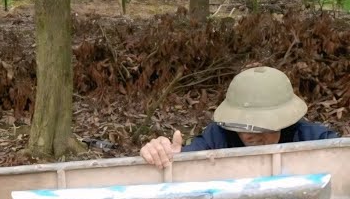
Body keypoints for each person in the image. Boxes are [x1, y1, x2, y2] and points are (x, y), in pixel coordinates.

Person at [141, 66, 340, 168]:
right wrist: (165, 154)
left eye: (260, 127)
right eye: (240, 125)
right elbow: (188, 159)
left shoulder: (316, 140)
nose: (248, 135)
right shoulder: (218, 136)